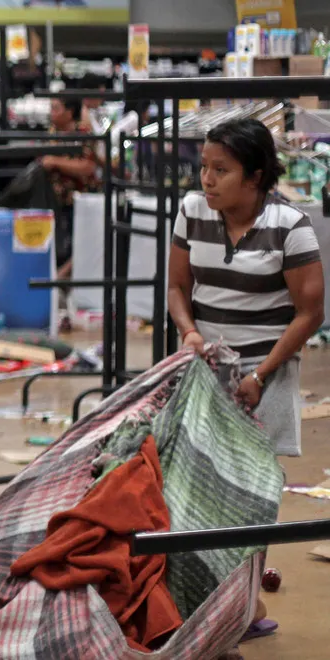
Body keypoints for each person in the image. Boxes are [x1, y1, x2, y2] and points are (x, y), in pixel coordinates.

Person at [168, 117, 324, 641]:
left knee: (251, 495)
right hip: (205, 373)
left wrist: (260, 373)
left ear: (255, 176)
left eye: (221, 170)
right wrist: (190, 332)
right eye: (204, 168)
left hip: (267, 375)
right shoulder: (192, 212)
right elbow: (177, 287)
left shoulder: (290, 226)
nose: (207, 180)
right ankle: (204, 599)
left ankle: (243, 604)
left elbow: (310, 312)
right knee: (194, 484)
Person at [42, 97, 98, 280]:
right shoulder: (52, 134)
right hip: (54, 203)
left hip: (79, 201)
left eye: (56, 108)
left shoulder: (83, 134)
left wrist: (56, 162)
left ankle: (61, 278)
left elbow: (87, 167)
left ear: (69, 112)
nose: (51, 113)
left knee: (82, 244)